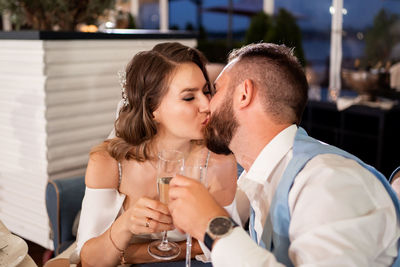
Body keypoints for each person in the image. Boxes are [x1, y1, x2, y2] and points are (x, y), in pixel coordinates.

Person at [168, 43, 400, 266]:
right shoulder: (261, 173)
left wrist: (213, 226)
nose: (207, 106)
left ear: (244, 94)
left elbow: (218, 230)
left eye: (214, 91)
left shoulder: (327, 182)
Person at [74, 42, 237, 267]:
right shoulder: (108, 163)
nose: (207, 105)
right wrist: (125, 225)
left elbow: (222, 244)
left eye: (206, 91)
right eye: (189, 97)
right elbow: (89, 260)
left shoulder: (219, 162)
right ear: (152, 109)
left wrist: (130, 254)